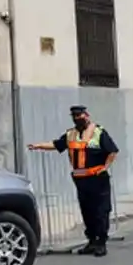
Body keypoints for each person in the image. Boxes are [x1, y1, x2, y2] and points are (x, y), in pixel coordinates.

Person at [27, 105, 119, 256]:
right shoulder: (71, 134)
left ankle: (101, 243)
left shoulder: (98, 132)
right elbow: (57, 145)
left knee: (101, 211)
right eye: (75, 116)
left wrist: (105, 167)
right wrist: (38, 146)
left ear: (87, 115)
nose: (78, 118)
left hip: (97, 178)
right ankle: (91, 241)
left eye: (80, 115)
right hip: (81, 180)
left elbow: (113, 151)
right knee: (87, 211)